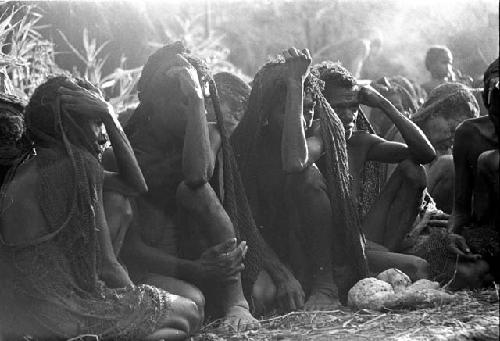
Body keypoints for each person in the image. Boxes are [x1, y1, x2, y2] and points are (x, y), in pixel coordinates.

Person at [0, 76, 201, 340]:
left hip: (21, 318)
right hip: (62, 315)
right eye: (96, 123)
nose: (102, 134)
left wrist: (107, 116)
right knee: (190, 312)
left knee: (175, 326)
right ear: (73, 123)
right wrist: (137, 311)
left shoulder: (25, 167)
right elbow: (108, 266)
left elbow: (134, 184)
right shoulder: (79, 165)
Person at [121, 42, 302, 327]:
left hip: (210, 260)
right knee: (194, 304)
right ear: (156, 102)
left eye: (203, 103)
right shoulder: (126, 149)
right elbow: (130, 249)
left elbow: (197, 177)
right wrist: (195, 269)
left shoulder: (207, 134)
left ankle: (236, 303)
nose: (200, 112)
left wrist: (194, 102)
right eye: (188, 103)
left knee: (264, 295)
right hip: (160, 266)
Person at [232, 48, 372, 309]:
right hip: (273, 252)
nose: (303, 119)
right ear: (264, 115)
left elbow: (295, 161)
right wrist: (282, 274)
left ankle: (325, 287)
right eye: (288, 110)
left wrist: (297, 82)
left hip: (322, 257)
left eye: (308, 108)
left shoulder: (321, 131)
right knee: (262, 298)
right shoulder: (246, 147)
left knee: (306, 176)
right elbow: (246, 221)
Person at [313, 61, 435, 281]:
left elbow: (425, 154)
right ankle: (379, 263)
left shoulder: (359, 143)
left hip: (361, 239)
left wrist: (383, 104)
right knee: (419, 267)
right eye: (339, 107)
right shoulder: (309, 147)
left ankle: (383, 259)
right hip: (328, 248)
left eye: (353, 107)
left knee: (413, 170)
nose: (349, 115)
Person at [385, 82, 480, 213]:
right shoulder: (405, 134)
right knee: (448, 165)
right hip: (399, 217)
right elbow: (391, 198)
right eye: (452, 129)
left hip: (432, 216)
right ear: (434, 113)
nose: (454, 139)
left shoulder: (445, 147)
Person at [450, 58, 499, 280]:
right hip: (487, 234)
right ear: (486, 100)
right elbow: (460, 208)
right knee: (465, 273)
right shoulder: (469, 134)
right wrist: (452, 235)